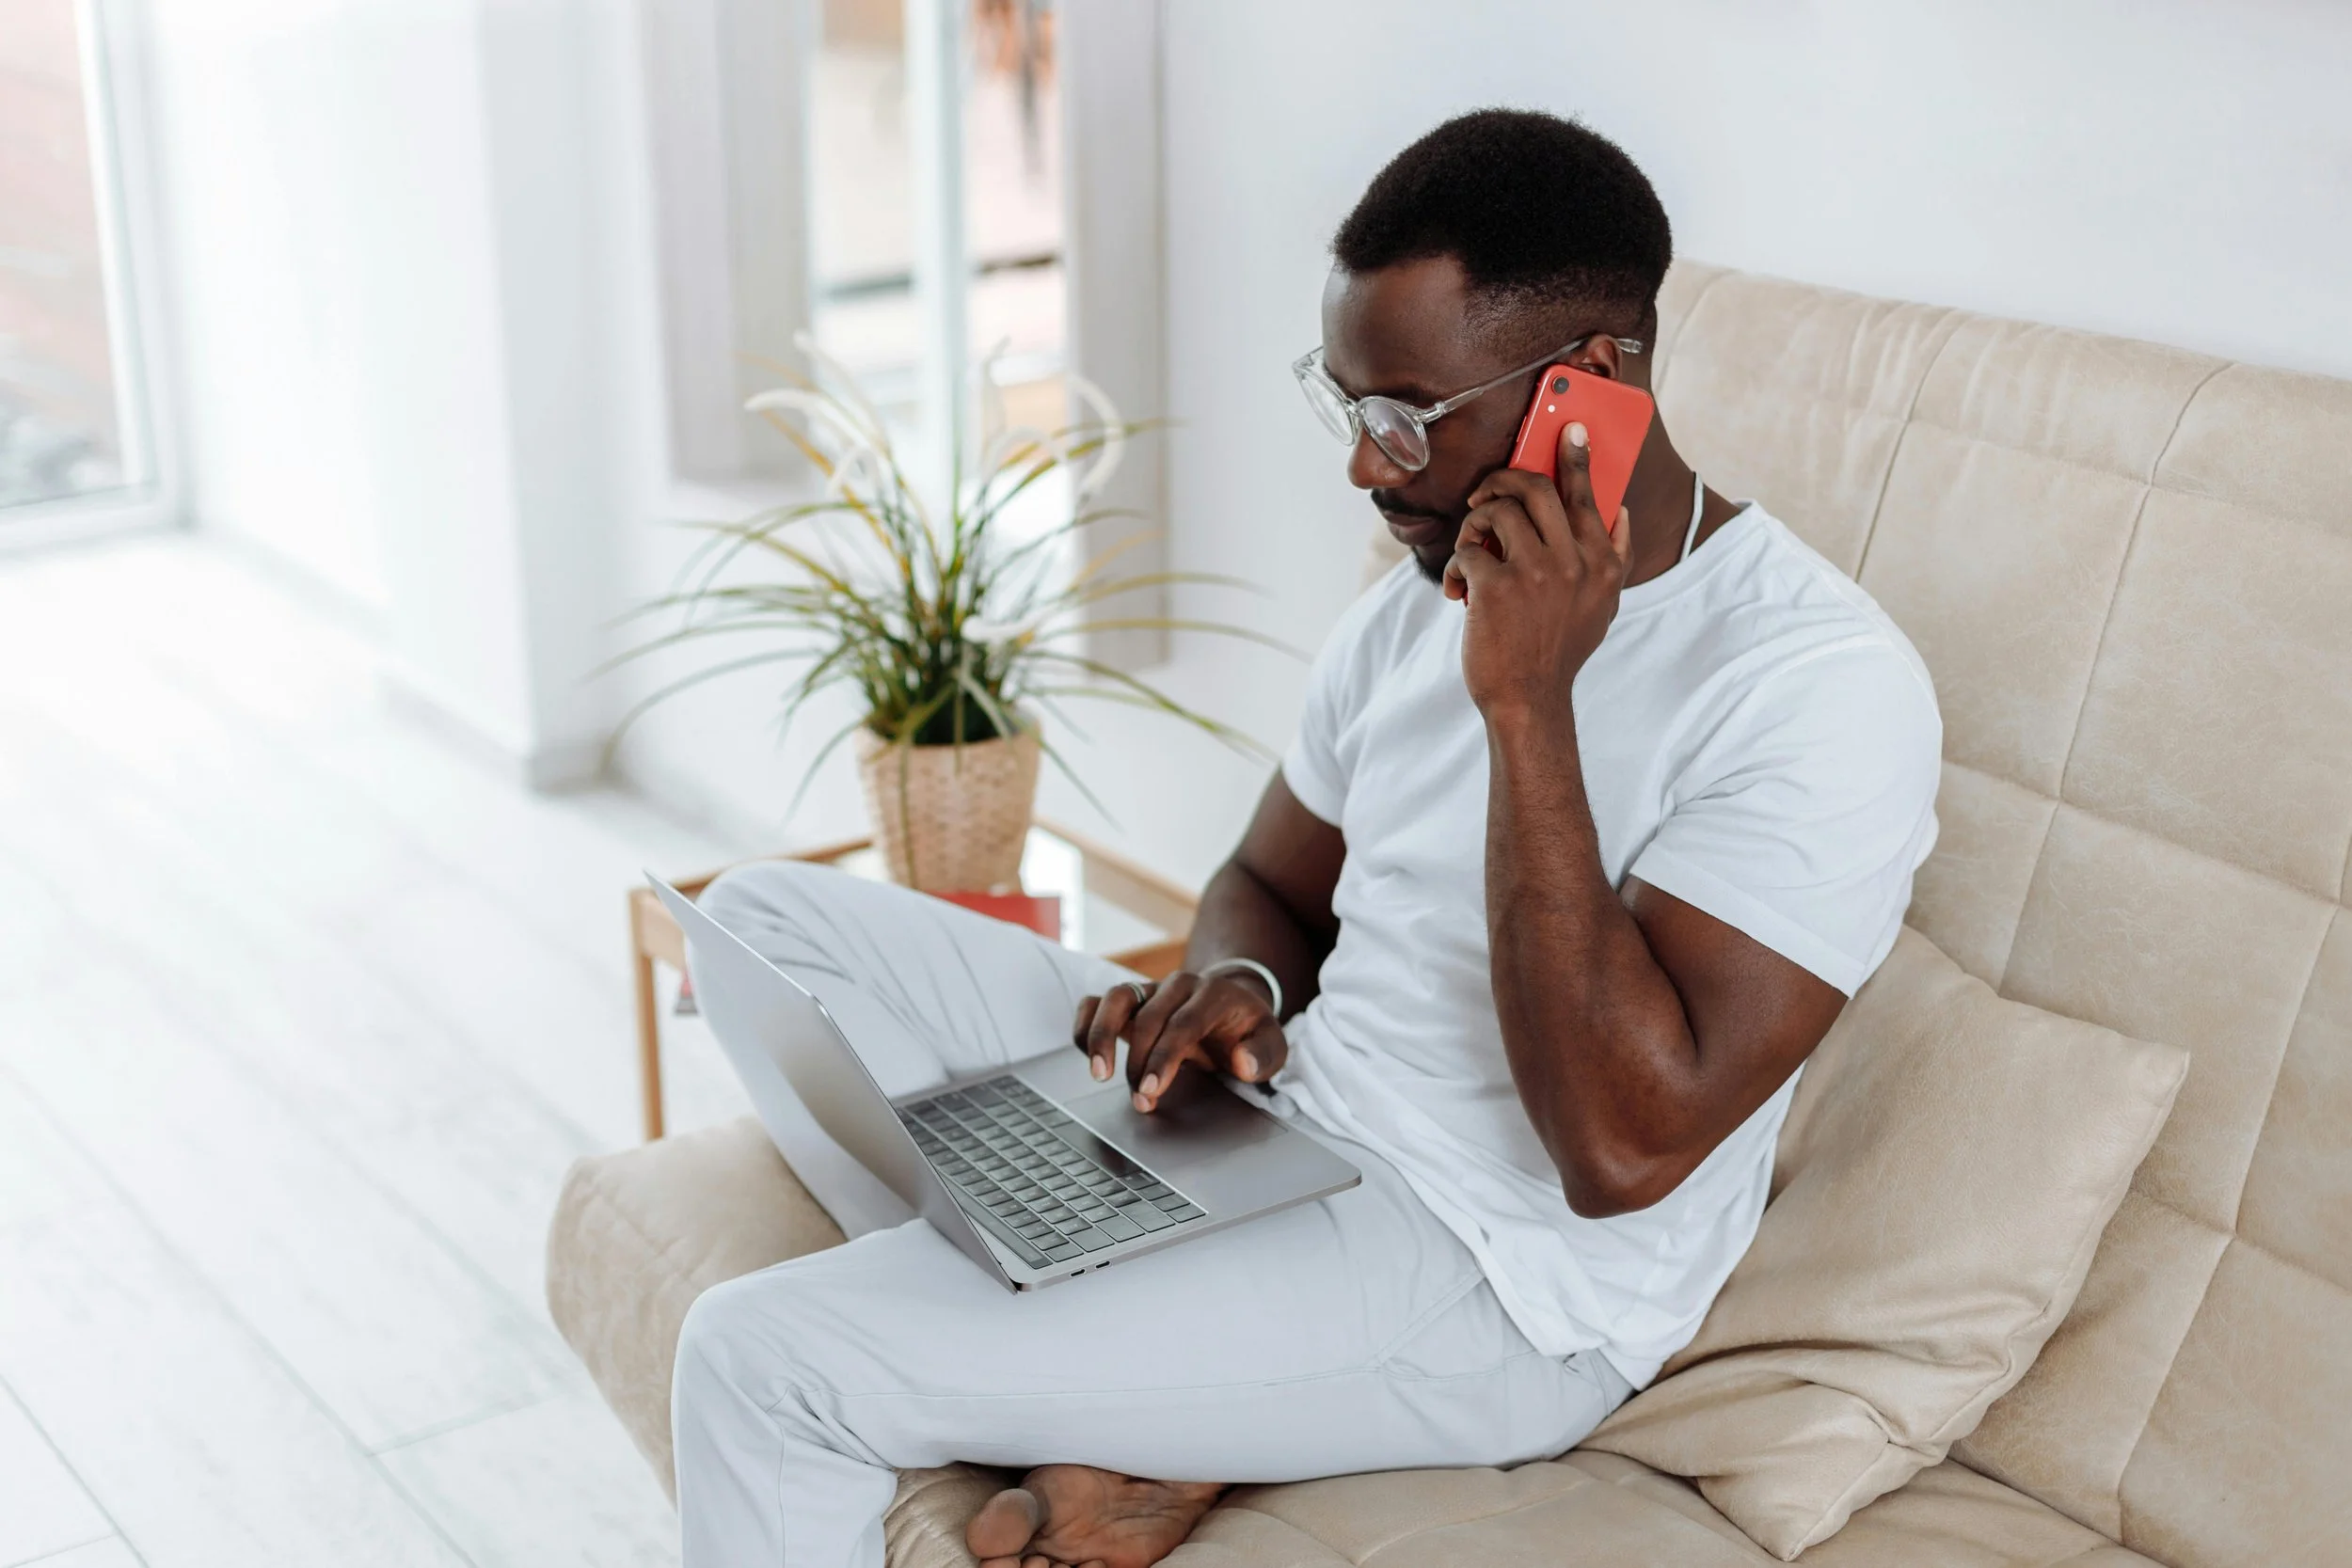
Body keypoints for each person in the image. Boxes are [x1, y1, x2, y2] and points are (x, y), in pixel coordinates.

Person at [672, 108, 1942, 1568]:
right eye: (1344, 406)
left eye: (1403, 414)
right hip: (1292, 1123)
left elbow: (1620, 1145)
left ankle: (1097, 1365)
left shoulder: (1820, 685)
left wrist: (1532, 705)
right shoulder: (1411, 604)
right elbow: (1269, 881)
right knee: (770, 923)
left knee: (763, 1359)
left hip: (1492, 1280)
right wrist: (1243, 989)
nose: (1363, 466)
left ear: (1588, 389)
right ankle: (1115, 1374)